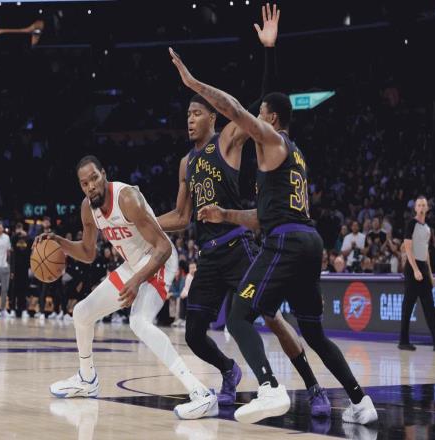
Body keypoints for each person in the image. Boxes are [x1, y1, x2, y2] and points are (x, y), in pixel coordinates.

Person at [169, 46, 378, 425]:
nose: (255, 118)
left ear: (271, 118)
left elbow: (237, 109)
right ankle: (361, 401)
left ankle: (273, 387)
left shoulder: (267, 142)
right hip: (300, 240)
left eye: (261, 114)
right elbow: (262, 216)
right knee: (313, 332)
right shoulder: (294, 156)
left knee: (241, 317)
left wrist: (194, 81)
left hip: (273, 244)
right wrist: (223, 214)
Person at [158, 4, 329, 416]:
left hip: (238, 247)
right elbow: (180, 218)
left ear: (212, 118)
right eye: (187, 114)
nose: (189, 119)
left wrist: (268, 51)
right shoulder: (185, 163)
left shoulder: (229, 139)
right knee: (194, 334)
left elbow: (260, 110)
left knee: (270, 317)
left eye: (196, 113)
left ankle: (312, 386)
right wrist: (140, 217)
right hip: (208, 256)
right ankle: (229, 371)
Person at [37, 155, 216, 420]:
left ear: (104, 174)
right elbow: (88, 252)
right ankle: (87, 380)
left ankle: (201, 393)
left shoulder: (127, 198)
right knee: (82, 313)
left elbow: (163, 247)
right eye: (85, 183)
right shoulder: (88, 208)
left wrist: (137, 280)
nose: (91, 186)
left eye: (94, 178)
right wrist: (59, 242)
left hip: (158, 259)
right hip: (133, 264)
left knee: (138, 322)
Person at [398, 196, 435, 351]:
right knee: (408, 306)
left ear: (427, 208)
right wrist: (415, 269)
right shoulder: (411, 224)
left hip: (423, 267)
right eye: (419, 205)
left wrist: (430, 274)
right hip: (412, 268)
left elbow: (426, 252)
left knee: (429, 306)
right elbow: (407, 247)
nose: (422, 208)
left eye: (424, 205)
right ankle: (403, 341)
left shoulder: (427, 228)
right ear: (415, 208)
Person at [11, 222, 31, 318]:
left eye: (21, 228)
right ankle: (12, 309)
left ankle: (23, 309)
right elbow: (12, 240)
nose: (19, 230)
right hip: (15, 267)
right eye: (18, 228)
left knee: (23, 289)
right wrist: (17, 234)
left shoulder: (27, 239)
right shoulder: (14, 239)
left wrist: (25, 235)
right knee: (14, 290)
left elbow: (31, 243)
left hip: (24, 267)